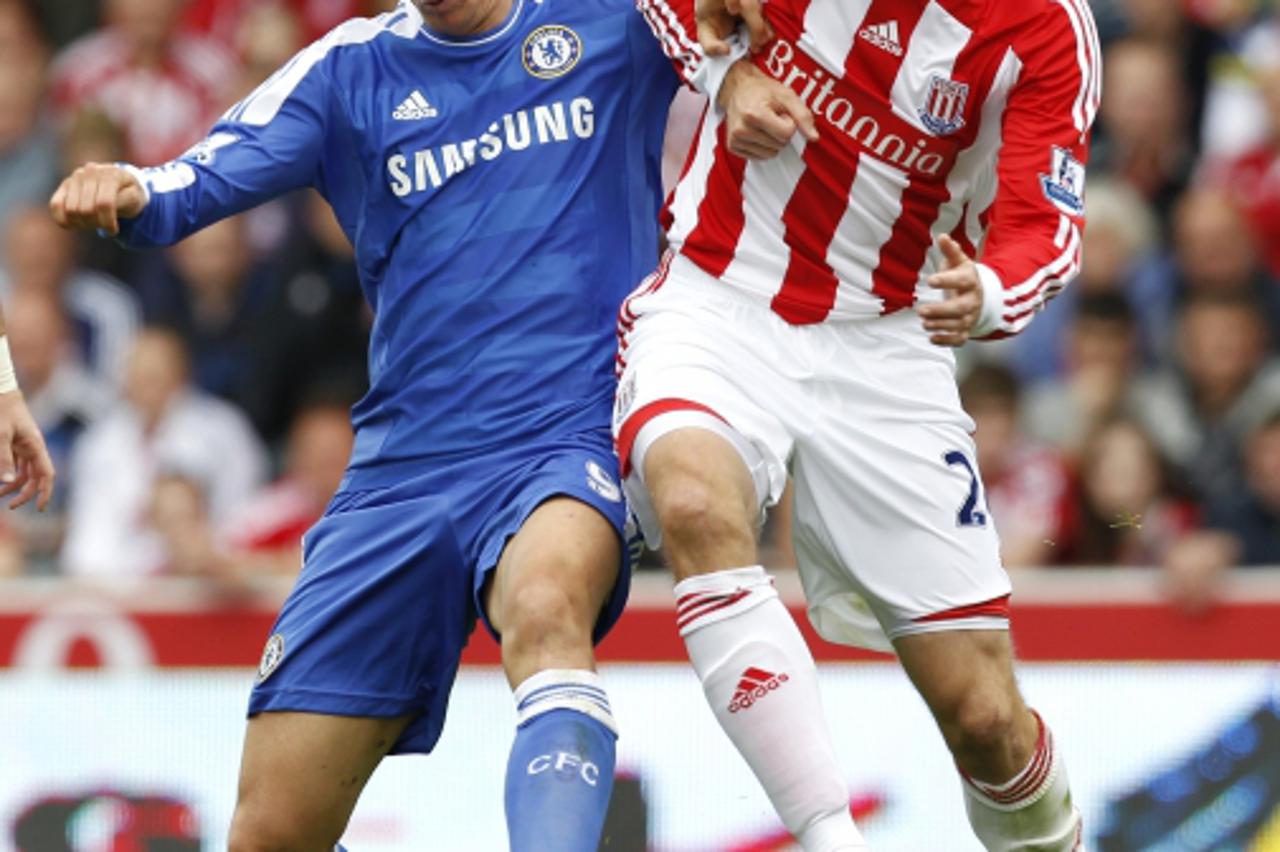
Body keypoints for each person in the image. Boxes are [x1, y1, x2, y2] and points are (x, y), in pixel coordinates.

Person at [49, 1, 741, 849]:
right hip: (401, 472)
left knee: (546, 603)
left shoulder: (616, 21)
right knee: (271, 833)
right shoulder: (349, 69)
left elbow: (762, 35)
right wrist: (132, 187)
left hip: (564, 434)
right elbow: (203, 174)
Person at [616, 0, 1099, 848]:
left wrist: (988, 292)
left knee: (984, 717)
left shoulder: (1046, 28)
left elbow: (1043, 228)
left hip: (887, 341)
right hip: (720, 293)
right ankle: (831, 835)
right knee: (695, 504)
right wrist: (727, 74)